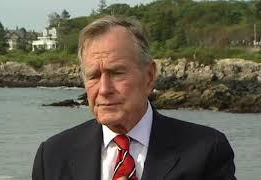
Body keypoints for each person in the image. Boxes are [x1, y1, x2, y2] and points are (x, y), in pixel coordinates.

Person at [32, 15, 236, 180]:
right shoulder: (52, 156)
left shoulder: (206, 150)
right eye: (94, 76)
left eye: (117, 73)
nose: (104, 89)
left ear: (149, 76)